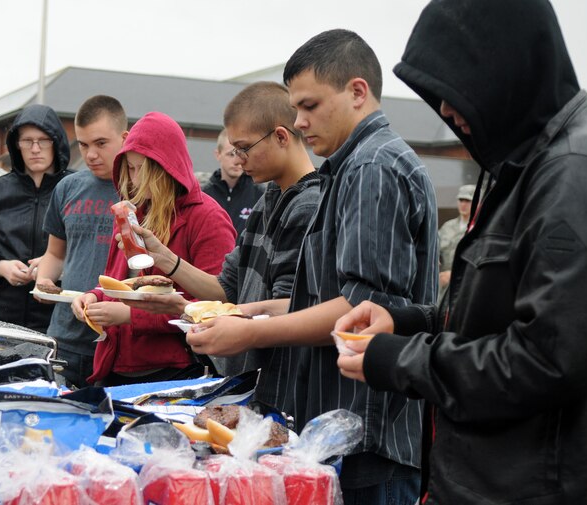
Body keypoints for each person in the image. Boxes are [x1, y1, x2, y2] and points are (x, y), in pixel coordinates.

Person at [334, 1, 587, 503]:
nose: (444, 109)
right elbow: (492, 315)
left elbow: (550, 358)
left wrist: (400, 360)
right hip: (481, 477)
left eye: (453, 88)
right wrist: (406, 321)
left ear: (500, 66)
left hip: (528, 486)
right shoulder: (526, 161)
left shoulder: (573, 172)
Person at [186, 29, 438, 503]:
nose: (299, 121)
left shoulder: (373, 166)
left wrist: (250, 331)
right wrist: (248, 313)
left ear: (357, 92)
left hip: (368, 435)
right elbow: (326, 300)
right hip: (347, 430)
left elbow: (363, 311)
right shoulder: (349, 167)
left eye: (309, 106)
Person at [119, 82, 320, 383]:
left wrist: (188, 309)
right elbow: (226, 288)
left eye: (244, 148)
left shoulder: (307, 205)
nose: (238, 159)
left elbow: (291, 312)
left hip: (280, 381)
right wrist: (164, 257)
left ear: (280, 136)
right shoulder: (269, 199)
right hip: (251, 377)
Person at [70, 111, 236, 386]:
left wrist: (130, 316)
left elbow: (219, 306)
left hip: (176, 372)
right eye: (128, 168)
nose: (132, 179)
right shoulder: (134, 211)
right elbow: (122, 281)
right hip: (115, 365)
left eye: (139, 169)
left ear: (164, 167)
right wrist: (96, 296)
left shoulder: (208, 218)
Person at [34, 95, 128, 388]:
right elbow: (55, 253)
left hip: (117, 338)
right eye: (84, 145)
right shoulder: (68, 187)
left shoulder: (142, 191)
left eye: (101, 143)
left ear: (125, 138)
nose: (90, 155)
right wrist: (44, 280)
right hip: (64, 336)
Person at [0, 104, 72, 332]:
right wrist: (0, 267)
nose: (35, 149)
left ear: (57, 142)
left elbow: (90, 252)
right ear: (16, 145)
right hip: (0, 319)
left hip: (57, 320)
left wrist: (55, 265)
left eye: (43, 140)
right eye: (27, 141)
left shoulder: (75, 189)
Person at [202, 129, 265, 239]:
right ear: (218, 155)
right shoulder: (204, 195)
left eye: (240, 154)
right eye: (231, 154)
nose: (236, 161)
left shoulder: (261, 195)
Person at [436, 184, 473, 302]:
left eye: (467, 200)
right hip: (445, 292)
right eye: (461, 200)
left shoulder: (480, 228)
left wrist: (453, 274)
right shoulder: (447, 227)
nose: (463, 204)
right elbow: (436, 251)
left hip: (467, 290)